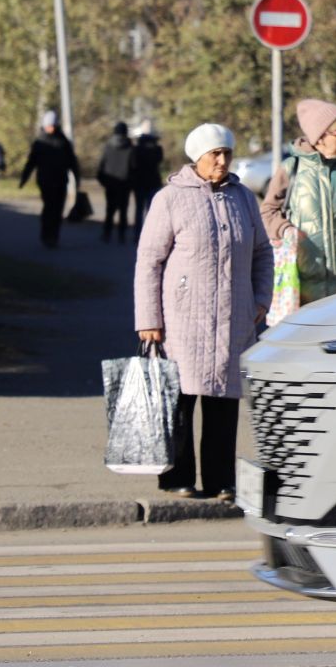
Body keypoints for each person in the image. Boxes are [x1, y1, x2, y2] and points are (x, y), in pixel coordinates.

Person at [134, 122, 271, 500]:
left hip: (233, 316)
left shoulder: (243, 198)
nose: (223, 160)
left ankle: (220, 480)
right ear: (197, 157)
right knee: (180, 402)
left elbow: (262, 251)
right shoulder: (170, 199)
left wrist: (260, 299)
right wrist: (148, 320)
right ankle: (177, 478)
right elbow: (149, 261)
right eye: (215, 154)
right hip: (182, 319)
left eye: (226, 153)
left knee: (223, 404)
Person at [261, 99, 336, 304]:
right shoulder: (291, 168)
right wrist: (285, 229)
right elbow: (268, 211)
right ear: (319, 136)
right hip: (304, 282)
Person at [19, 110, 80, 249]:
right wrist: (24, 179)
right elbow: (31, 162)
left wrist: (77, 179)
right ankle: (46, 235)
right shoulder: (40, 142)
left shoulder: (63, 141)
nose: (50, 128)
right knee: (48, 207)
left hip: (60, 181)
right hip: (45, 182)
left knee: (58, 210)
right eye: (48, 125)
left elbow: (72, 162)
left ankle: (54, 237)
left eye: (52, 125)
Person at [97, 121, 136, 243]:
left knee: (110, 210)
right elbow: (134, 166)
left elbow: (101, 166)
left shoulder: (108, 146)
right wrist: (131, 182)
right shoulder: (130, 147)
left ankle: (107, 233)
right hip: (125, 184)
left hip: (110, 183)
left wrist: (104, 181)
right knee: (123, 210)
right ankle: (121, 235)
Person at [131, 120, 165, 235]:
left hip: (139, 182)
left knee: (139, 209)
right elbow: (159, 160)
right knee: (151, 210)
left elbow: (133, 164)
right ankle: (150, 233)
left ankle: (137, 234)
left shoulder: (136, 148)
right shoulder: (157, 148)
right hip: (153, 181)